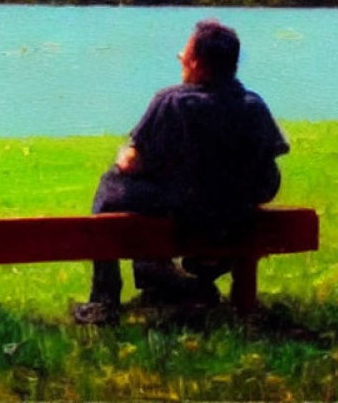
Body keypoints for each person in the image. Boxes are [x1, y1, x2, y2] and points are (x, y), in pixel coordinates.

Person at [73, 19, 290, 326]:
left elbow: (131, 162)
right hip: (231, 220)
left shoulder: (173, 101)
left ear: (198, 63)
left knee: (112, 183)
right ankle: (166, 279)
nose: (180, 58)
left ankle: (104, 300)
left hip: (182, 215)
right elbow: (269, 174)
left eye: (185, 54)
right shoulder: (253, 106)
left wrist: (126, 155)